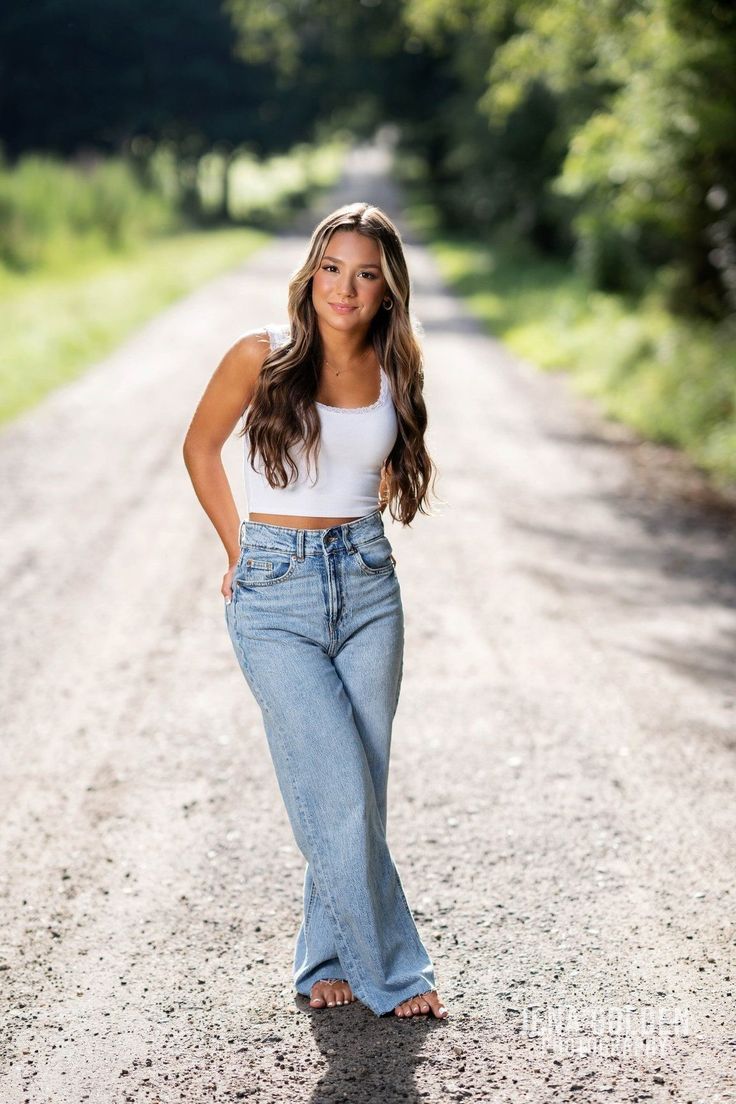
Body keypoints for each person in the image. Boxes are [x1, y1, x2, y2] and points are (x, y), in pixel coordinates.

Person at [182, 201, 449, 1020]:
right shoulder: (260, 355)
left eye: (367, 274)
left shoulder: (397, 366)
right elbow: (200, 447)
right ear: (311, 273)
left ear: (387, 289)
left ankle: (323, 959)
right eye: (333, 268)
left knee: (358, 785)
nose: (347, 287)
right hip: (275, 591)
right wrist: (239, 548)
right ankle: (398, 973)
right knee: (333, 785)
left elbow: (385, 467)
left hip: (368, 584)